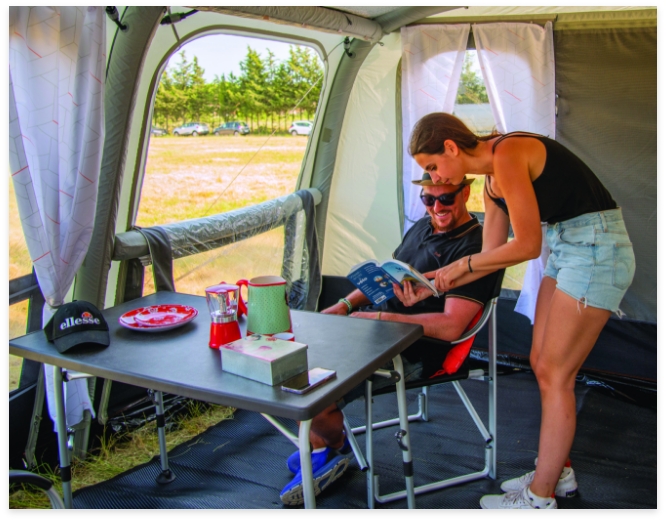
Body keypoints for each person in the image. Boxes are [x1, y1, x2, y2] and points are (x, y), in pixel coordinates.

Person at [401, 112, 636, 509]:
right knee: (541, 363)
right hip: (569, 247)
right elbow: (491, 256)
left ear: (452, 148)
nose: (434, 179)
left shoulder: (508, 153)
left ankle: (540, 498)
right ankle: (555, 470)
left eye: (432, 166)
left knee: (556, 373)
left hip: (597, 248)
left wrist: (460, 266)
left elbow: (526, 245)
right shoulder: (493, 182)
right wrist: (432, 285)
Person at [279, 175, 500, 506]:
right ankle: (322, 450)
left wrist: (379, 318)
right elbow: (383, 278)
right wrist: (345, 305)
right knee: (291, 364)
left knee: (307, 391)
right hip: (376, 329)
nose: (436, 208)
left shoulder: (476, 249)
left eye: (446, 199)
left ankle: (331, 446)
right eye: (428, 200)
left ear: (466, 191)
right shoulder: (422, 228)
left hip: (413, 349)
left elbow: (452, 327)